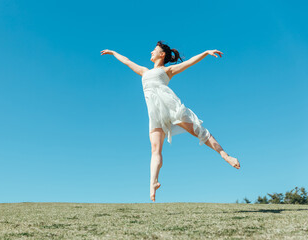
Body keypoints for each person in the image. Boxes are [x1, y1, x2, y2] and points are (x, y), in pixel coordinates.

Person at [101, 40, 240, 202]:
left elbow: (189, 62)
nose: (151, 52)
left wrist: (205, 52)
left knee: (198, 131)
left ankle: (225, 155)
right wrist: (113, 52)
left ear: (162, 54)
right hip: (155, 114)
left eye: (154, 50)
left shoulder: (167, 70)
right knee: (155, 150)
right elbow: (127, 61)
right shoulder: (144, 71)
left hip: (171, 108)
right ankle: (153, 183)